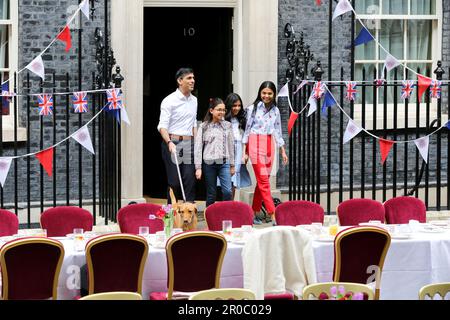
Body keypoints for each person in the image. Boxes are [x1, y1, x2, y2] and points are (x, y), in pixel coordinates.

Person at [242, 81, 288, 225]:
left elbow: (278, 130)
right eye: (264, 93)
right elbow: (247, 130)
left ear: (273, 94)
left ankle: (254, 212)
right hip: (254, 142)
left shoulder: (276, 111)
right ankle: (273, 214)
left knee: (263, 182)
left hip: (269, 143)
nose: (266, 96)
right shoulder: (252, 109)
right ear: (260, 93)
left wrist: (283, 150)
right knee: (264, 181)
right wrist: (245, 151)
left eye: (269, 93)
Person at [157, 67, 197, 203]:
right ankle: (170, 215)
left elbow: (193, 124)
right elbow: (162, 126)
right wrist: (169, 142)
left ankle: (189, 216)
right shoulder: (169, 100)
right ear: (180, 81)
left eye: (193, 78)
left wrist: (196, 143)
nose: (193, 81)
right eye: (189, 78)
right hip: (172, 142)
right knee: (174, 181)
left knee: (189, 180)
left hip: (188, 144)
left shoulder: (194, 100)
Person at [194, 98, 235, 207]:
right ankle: (210, 216)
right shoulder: (203, 126)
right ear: (211, 111)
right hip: (209, 164)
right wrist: (198, 168)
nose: (222, 112)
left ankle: (226, 214)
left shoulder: (228, 126)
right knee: (211, 194)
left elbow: (231, 146)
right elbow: (198, 148)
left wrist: (232, 165)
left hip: (224, 163)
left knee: (227, 192)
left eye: (223, 110)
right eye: (219, 110)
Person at [224, 93, 252, 198]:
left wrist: (245, 153)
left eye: (239, 106)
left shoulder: (242, 119)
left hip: (239, 148)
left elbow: (246, 137)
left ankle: (231, 204)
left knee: (234, 178)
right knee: (226, 177)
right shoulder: (224, 119)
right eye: (234, 105)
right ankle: (225, 205)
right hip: (227, 149)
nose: (237, 108)